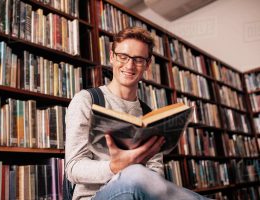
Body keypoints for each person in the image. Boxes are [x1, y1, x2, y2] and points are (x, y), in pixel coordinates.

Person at [65, 26, 210, 200]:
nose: (129, 65)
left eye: (139, 59)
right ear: (112, 57)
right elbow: (73, 168)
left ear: (147, 64)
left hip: (140, 193)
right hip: (94, 197)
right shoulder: (86, 100)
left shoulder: (150, 115)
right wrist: (115, 167)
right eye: (123, 56)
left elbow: (155, 173)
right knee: (135, 174)